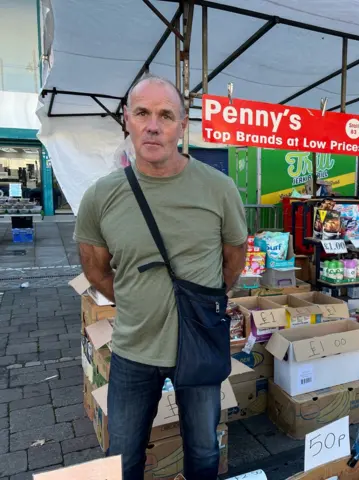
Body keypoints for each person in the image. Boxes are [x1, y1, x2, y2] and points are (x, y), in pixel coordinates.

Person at [74, 74, 247, 480]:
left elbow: (234, 260)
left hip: (201, 346)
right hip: (134, 349)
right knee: (122, 455)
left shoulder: (218, 189)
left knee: (204, 452)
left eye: (166, 115)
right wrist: (138, 299)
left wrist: (201, 302)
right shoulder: (101, 196)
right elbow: (95, 270)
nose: (153, 125)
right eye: (142, 113)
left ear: (182, 126)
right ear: (127, 121)